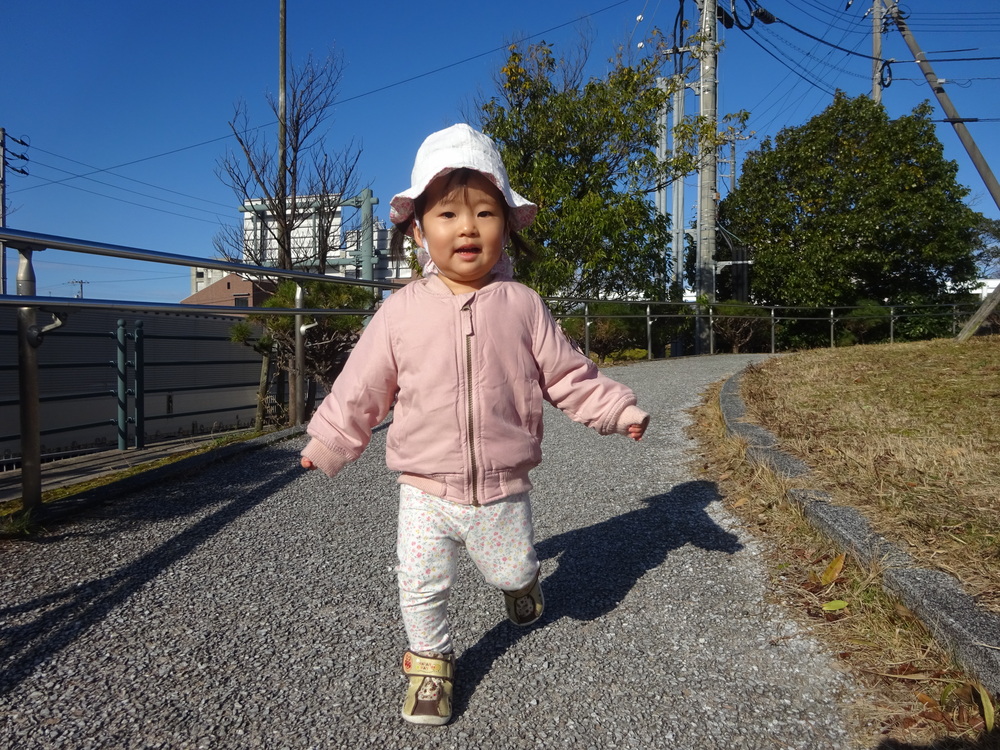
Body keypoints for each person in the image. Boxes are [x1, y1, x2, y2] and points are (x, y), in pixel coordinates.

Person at [299, 123, 649, 726]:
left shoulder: (523, 306)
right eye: (448, 215)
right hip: (424, 489)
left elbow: (569, 376)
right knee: (421, 585)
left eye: (486, 213)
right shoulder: (400, 312)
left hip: (501, 489)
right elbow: (362, 387)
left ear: (506, 226)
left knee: (510, 567)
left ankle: (521, 582)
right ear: (418, 229)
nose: (467, 227)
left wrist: (616, 410)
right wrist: (330, 439)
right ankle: (431, 665)